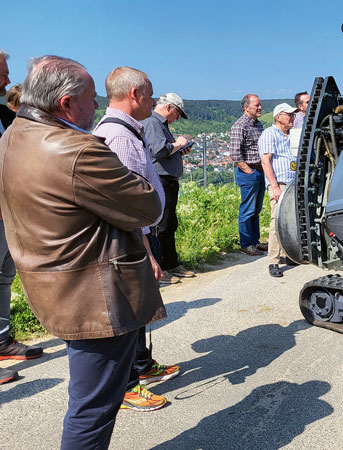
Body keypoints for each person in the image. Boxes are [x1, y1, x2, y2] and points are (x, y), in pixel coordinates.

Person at [0, 55, 164, 449]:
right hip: (95, 295)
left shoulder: (14, 134)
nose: (97, 106)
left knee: (89, 401)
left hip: (55, 283)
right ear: (66, 104)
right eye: (92, 99)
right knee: (93, 410)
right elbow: (148, 206)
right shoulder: (76, 150)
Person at [93, 67, 180, 413]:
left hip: (141, 236)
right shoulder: (120, 137)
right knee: (130, 309)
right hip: (133, 240)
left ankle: (141, 367)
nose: (155, 101)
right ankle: (128, 385)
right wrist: (149, 255)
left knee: (138, 307)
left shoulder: (127, 131)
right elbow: (127, 207)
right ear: (135, 95)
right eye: (151, 94)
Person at [0, 51, 43, 386]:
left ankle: (2, 340)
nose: (6, 79)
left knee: (4, 275)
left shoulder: (3, 113)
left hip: (7, 209)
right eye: (2, 73)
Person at [141, 93, 196, 283]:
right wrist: (178, 144)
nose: (177, 118)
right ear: (169, 108)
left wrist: (179, 149)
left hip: (168, 179)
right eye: (177, 113)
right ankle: (161, 268)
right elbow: (158, 150)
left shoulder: (159, 124)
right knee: (161, 225)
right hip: (162, 179)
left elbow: (165, 149)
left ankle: (171, 263)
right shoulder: (153, 123)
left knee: (170, 222)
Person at [259, 103, 299, 277]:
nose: (292, 117)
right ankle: (273, 261)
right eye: (288, 114)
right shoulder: (270, 133)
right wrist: (274, 186)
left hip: (292, 182)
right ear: (278, 117)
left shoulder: (292, 135)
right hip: (280, 183)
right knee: (276, 221)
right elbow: (265, 161)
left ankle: (286, 254)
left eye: (293, 114)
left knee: (289, 220)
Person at [230, 94, 268, 256]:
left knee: (256, 209)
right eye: (257, 105)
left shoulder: (257, 124)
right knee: (247, 209)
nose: (260, 108)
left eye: (260, 105)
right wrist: (248, 170)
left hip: (260, 171)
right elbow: (235, 154)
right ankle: (246, 243)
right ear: (246, 107)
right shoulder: (240, 126)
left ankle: (255, 241)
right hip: (250, 172)